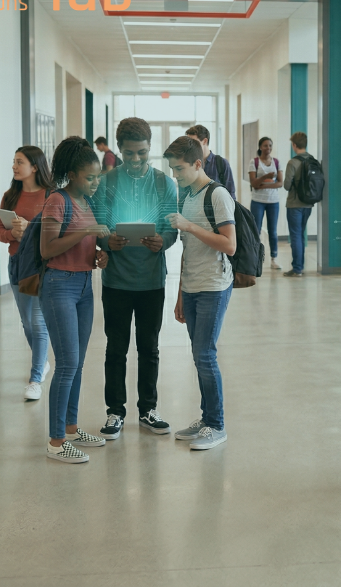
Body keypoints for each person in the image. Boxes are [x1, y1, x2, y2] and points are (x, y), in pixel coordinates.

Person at [93, 118, 178, 440]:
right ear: (119, 150)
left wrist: (164, 241)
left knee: (149, 348)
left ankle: (148, 409)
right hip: (116, 280)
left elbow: (172, 227)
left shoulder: (164, 183)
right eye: (130, 154)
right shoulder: (106, 182)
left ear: (150, 148)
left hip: (152, 280)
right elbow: (99, 224)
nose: (137, 159)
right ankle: (115, 411)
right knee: (116, 348)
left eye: (142, 153)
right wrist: (106, 241)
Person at [40, 137, 110, 464]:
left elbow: (83, 243)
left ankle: (70, 427)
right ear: (73, 174)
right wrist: (86, 233)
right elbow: (48, 248)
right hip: (59, 286)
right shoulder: (58, 200)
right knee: (66, 363)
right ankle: (56, 442)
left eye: (98, 177)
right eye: (89, 177)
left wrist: (97, 255)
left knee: (77, 363)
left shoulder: (85, 202)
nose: (95, 183)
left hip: (84, 284)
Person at [165, 135, 237, 451]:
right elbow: (187, 251)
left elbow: (229, 244)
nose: (175, 175)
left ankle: (217, 424)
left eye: (179, 169)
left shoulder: (217, 195)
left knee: (204, 355)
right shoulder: (187, 196)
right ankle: (206, 418)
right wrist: (181, 293)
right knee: (198, 355)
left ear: (197, 164)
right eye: (171, 169)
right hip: (193, 286)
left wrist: (189, 226)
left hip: (214, 286)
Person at [0, 146, 53, 400]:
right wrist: (13, 234)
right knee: (26, 322)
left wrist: (31, 229)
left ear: (35, 167)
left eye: (20, 162)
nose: (14, 166)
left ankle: (35, 378)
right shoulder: (10, 195)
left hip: (40, 266)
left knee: (39, 322)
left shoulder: (52, 195)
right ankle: (42, 363)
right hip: (17, 263)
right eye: (14, 162)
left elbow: (58, 232)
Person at [248, 136, 283, 271]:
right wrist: (266, 177)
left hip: (273, 202)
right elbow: (253, 183)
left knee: (273, 231)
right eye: (265, 146)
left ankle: (274, 258)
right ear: (260, 147)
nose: (268, 148)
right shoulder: (254, 162)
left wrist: (262, 185)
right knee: (256, 230)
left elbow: (280, 183)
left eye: (270, 146)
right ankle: (255, 258)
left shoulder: (276, 162)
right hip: (258, 202)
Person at [282, 131, 315, 277]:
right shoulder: (313, 161)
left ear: (294, 145)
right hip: (308, 204)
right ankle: (299, 266)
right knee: (301, 234)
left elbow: (287, 185)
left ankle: (297, 269)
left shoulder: (292, 162)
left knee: (295, 235)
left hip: (294, 204)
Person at [185, 125, 236, 199]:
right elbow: (184, 194)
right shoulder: (188, 164)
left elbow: (231, 194)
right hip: (194, 209)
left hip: (217, 209)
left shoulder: (221, 163)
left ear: (205, 141)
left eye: (194, 142)